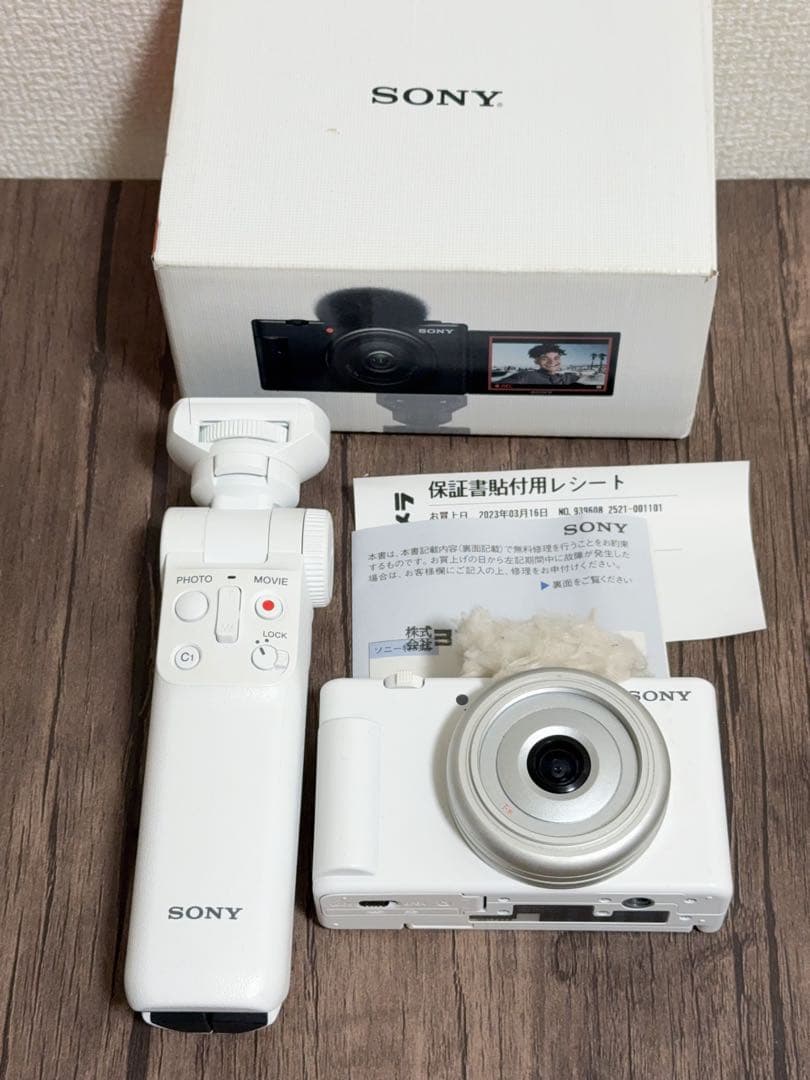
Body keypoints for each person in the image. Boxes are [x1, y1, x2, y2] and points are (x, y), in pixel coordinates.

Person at [496, 342, 584, 387]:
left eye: (556, 358)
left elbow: (583, 378)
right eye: (545, 358)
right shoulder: (524, 376)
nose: (552, 362)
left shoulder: (567, 377)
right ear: (536, 361)